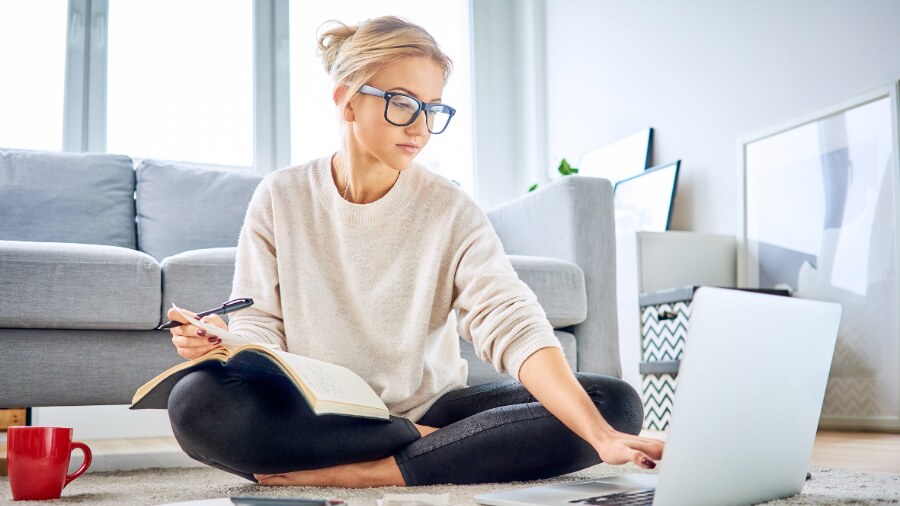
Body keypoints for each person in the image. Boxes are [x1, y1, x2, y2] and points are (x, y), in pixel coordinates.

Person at [164, 15, 664, 488]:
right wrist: (227, 345)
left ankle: (370, 471)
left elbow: (508, 317)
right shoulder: (281, 196)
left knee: (613, 406)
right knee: (196, 403)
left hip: (431, 409)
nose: (421, 126)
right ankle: (438, 453)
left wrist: (601, 436)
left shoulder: (451, 208)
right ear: (347, 100)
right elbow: (259, 321)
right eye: (402, 102)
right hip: (317, 411)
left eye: (433, 108)